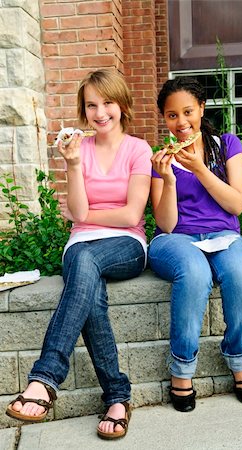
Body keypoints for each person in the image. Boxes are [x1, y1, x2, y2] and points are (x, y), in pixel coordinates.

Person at [6, 69, 152, 439]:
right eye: (91, 105)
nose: (100, 112)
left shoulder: (138, 150)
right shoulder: (78, 150)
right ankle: (118, 398)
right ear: (83, 110)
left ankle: (45, 378)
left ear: (122, 104)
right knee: (90, 289)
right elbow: (73, 210)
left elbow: (131, 215)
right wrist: (72, 166)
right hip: (80, 246)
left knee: (87, 262)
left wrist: (86, 216)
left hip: (127, 245)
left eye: (107, 103)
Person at [148, 76, 242, 413]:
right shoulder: (162, 159)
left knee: (241, 274)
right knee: (195, 273)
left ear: (201, 108)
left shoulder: (226, 145)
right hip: (175, 240)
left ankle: (240, 360)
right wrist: (168, 179)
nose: (181, 122)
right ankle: (181, 371)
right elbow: (165, 223)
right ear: (164, 118)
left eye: (187, 112)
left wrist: (199, 169)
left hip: (223, 236)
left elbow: (236, 204)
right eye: (171, 115)